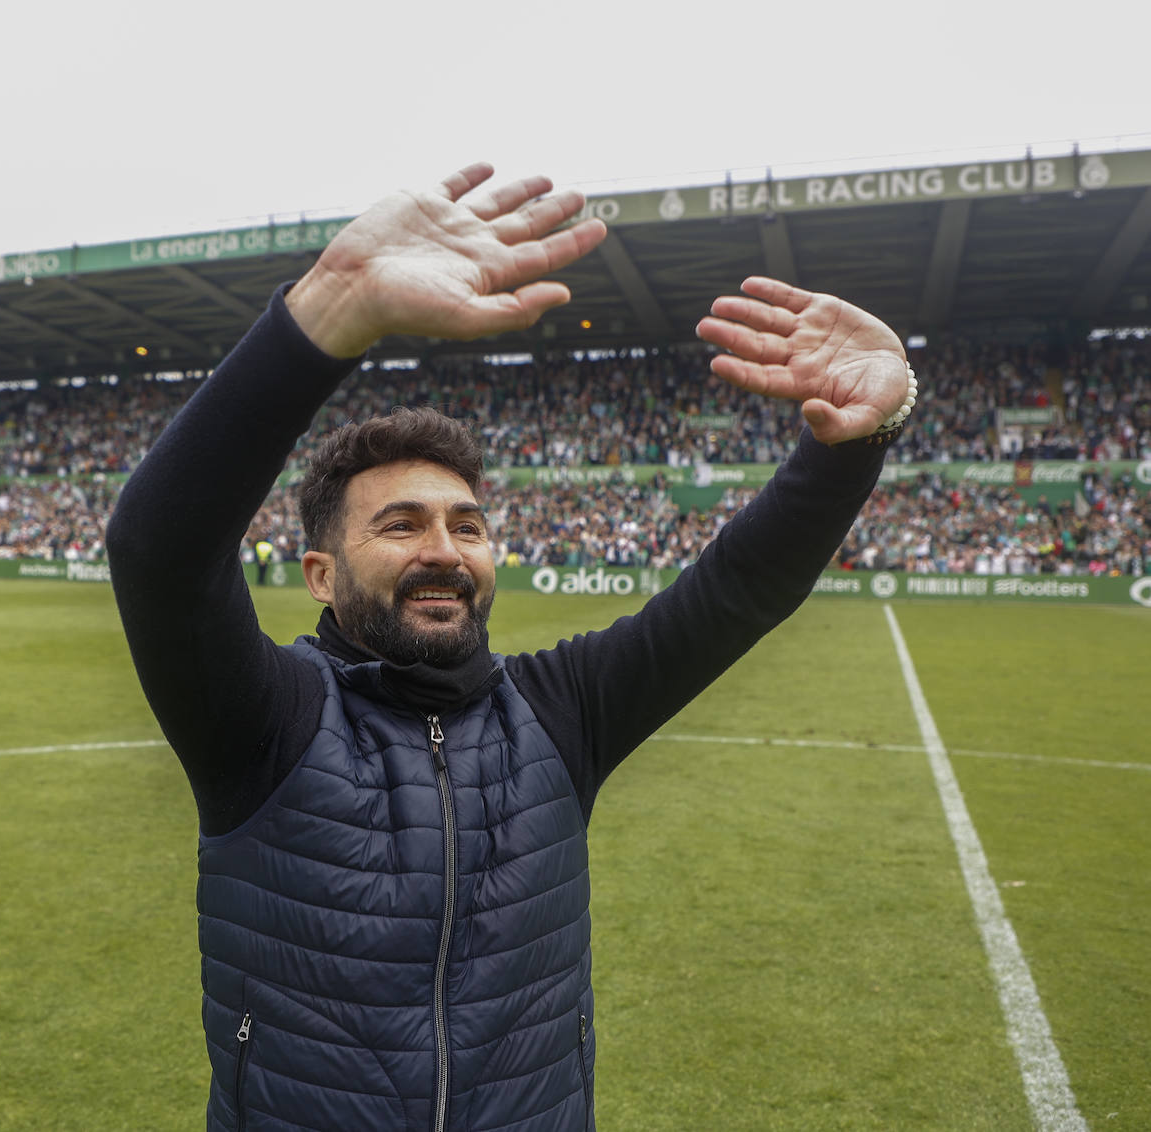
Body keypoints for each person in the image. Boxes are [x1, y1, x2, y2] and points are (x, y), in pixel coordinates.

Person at [105, 163, 912, 1132]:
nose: (444, 550)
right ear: (321, 573)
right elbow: (160, 548)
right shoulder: (264, 722)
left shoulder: (560, 712)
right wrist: (333, 306)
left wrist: (857, 440)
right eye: (401, 525)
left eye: (468, 525)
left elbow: (740, 589)